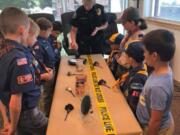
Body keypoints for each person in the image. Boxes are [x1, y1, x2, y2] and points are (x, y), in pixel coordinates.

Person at [0, 7, 47, 135]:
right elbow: (15, 101)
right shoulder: (20, 59)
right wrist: (13, 128)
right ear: (22, 30)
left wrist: (7, 120)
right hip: (27, 115)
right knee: (55, 127)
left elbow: (2, 92)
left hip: (13, 115)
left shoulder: (3, 51)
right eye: (27, 31)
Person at [136, 29, 175, 135]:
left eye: (144, 51)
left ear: (154, 56)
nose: (143, 54)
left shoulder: (158, 87)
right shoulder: (163, 69)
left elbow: (156, 121)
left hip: (155, 129)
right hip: (153, 119)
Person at [107, 7, 147, 79]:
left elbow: (139, 61)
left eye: (123, 23)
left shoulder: (140, 37)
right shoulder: (129, 33)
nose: (122, 25)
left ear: (132, 22)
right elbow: (125, 49)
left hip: (128, 71)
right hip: (120, 67)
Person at [117, 41, 148, 114]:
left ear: (131, 59)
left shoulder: (138, 78)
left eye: (126, 55)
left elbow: (133, 103)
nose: (124, 56)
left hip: (129, 112)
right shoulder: (135, 67)